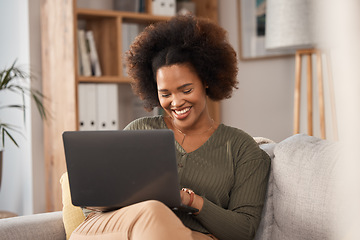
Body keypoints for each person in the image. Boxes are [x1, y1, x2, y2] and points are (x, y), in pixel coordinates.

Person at [70, 15, 270, 240]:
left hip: (190, 236)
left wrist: (190, 201)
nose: (175, 103)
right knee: (147, 213)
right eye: (165, 94)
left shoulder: (241, 149)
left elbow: (243, 231)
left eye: (186, 90)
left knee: (156, 214)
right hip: (120, 230)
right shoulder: (139, 131)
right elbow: (93, 207)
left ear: (206, 80)